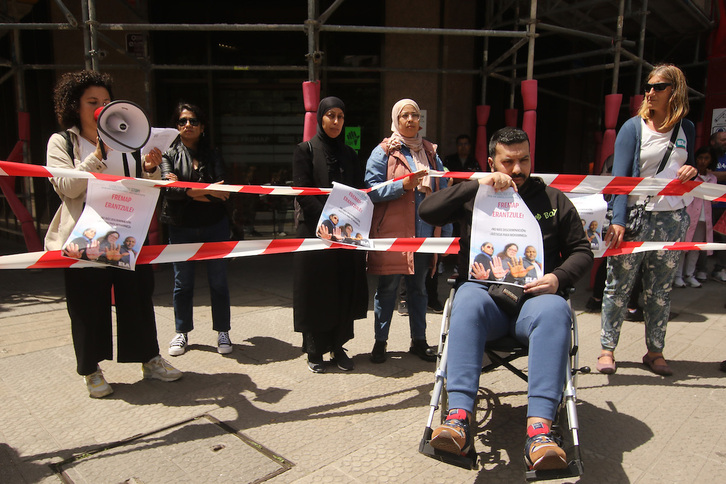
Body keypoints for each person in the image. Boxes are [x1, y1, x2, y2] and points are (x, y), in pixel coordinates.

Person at [418, 127, 592, 471]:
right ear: (491, 162)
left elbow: (581, 251)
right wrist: (475, 185)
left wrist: (558, 277)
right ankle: (458, 420)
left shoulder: (554, 200)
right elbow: (427, 211)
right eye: (508, 162)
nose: (517, 169)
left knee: (556, 309)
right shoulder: (476, 195)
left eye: (524, 160)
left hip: (535, 301)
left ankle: (540, 433)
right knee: (466, 298)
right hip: (486, 301)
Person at [45, 70, 181, 398]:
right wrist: (97, 155)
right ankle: (90, 369)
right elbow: (67, 187)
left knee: (137, 298)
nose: (101, 108)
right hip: (85, 236)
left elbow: (141, 187)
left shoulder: (130, 141)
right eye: (92, 102)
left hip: (126, 234)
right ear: (74, 106)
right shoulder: (62, 142)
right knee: (87, 304)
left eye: (106, 101)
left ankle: (149, 359)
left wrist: (150, 168)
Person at [598, 64, 697, 376]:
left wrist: (691, 171)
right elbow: (620, 179)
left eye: (659, 86)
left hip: (672, 219)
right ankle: (607, 349)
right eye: (648, 87)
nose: (651, 92)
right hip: (635, 218)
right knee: (618, 285)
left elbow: (691, 166)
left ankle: (655, 352)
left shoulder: (687, 128)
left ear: (674, 91)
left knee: (660, 290)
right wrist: (618, 219)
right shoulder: (633, 128)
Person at [365, 98, 451, 364]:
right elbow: (371, 190)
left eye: (415, 115)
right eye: (405, 115)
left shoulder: (430, 152)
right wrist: (403, 185)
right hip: (393, 234)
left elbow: (443, 191)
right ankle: (380, 342)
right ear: (396, 120)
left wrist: (445, 232)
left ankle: (419, 341)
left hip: (424, 233)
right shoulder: (384, 151)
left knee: (419, 290)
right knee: (387, 289)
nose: (411, 120)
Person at [292, 96, 368, 373]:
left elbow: (359, 191)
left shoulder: (350, 154)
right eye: (331, 116)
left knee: (342, 289)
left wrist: (346, 225)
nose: (336, 122)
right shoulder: (305, 150)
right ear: (321, 118)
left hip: (344, 235)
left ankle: (338, 346)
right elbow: (303, 192)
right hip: (315, 233)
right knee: (316, 290)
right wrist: (327, 224)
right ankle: (314, 350)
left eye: (340, 117)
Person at [161, 102, 233, 357]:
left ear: (202, 127)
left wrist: (186, 190)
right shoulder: (169, 154)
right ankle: (182, 332)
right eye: (182, 121)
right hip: (182, 227)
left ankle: (223, 331)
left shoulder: (213, 153)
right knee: (183, 283)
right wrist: (203, 190)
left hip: (215, 226)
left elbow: (223, 192)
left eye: (193, 121)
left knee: (218, 281)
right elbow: (169, 192)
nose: (188, 125)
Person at [674, 146, 717, 288]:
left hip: (704, 218)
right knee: (683, 247)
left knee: (696, 248)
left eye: (706, 158)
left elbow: (714, 198)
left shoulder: (713, 178)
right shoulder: (690, 176)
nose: (703, 161)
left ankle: (690, 275)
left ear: (711, 161)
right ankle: (678, 276)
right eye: (700, 158)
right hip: (689, 215)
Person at [708, 131, 726, 282]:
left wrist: (712, 174)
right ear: (713, 142)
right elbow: (702, 173)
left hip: (723, 205)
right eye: (723, 140)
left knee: (723, 239)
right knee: (701, 239)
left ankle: (719, 269)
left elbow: (710, 174)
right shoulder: (707, 156)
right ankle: (697, 270)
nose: (725, 142)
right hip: (704, 204)